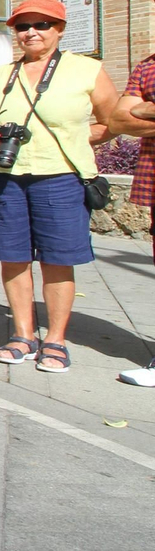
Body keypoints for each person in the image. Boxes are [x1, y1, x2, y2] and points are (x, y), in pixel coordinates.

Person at [0, 0, 122, 373]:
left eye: (42, 25)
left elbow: (112, 121)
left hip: (60, 178)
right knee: (13, 256)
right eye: (23, 26)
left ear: (60, 29)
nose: (31, 32)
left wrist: (76, 141)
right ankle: (23, 333)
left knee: (58, 259)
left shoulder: (86, 69)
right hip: (6, 178)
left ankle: (55, 339)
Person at [115, 58, 155, 385]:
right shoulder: (147, 67)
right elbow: (121, 118)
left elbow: (140, 111)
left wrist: (148, 108)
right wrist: (138, 110)